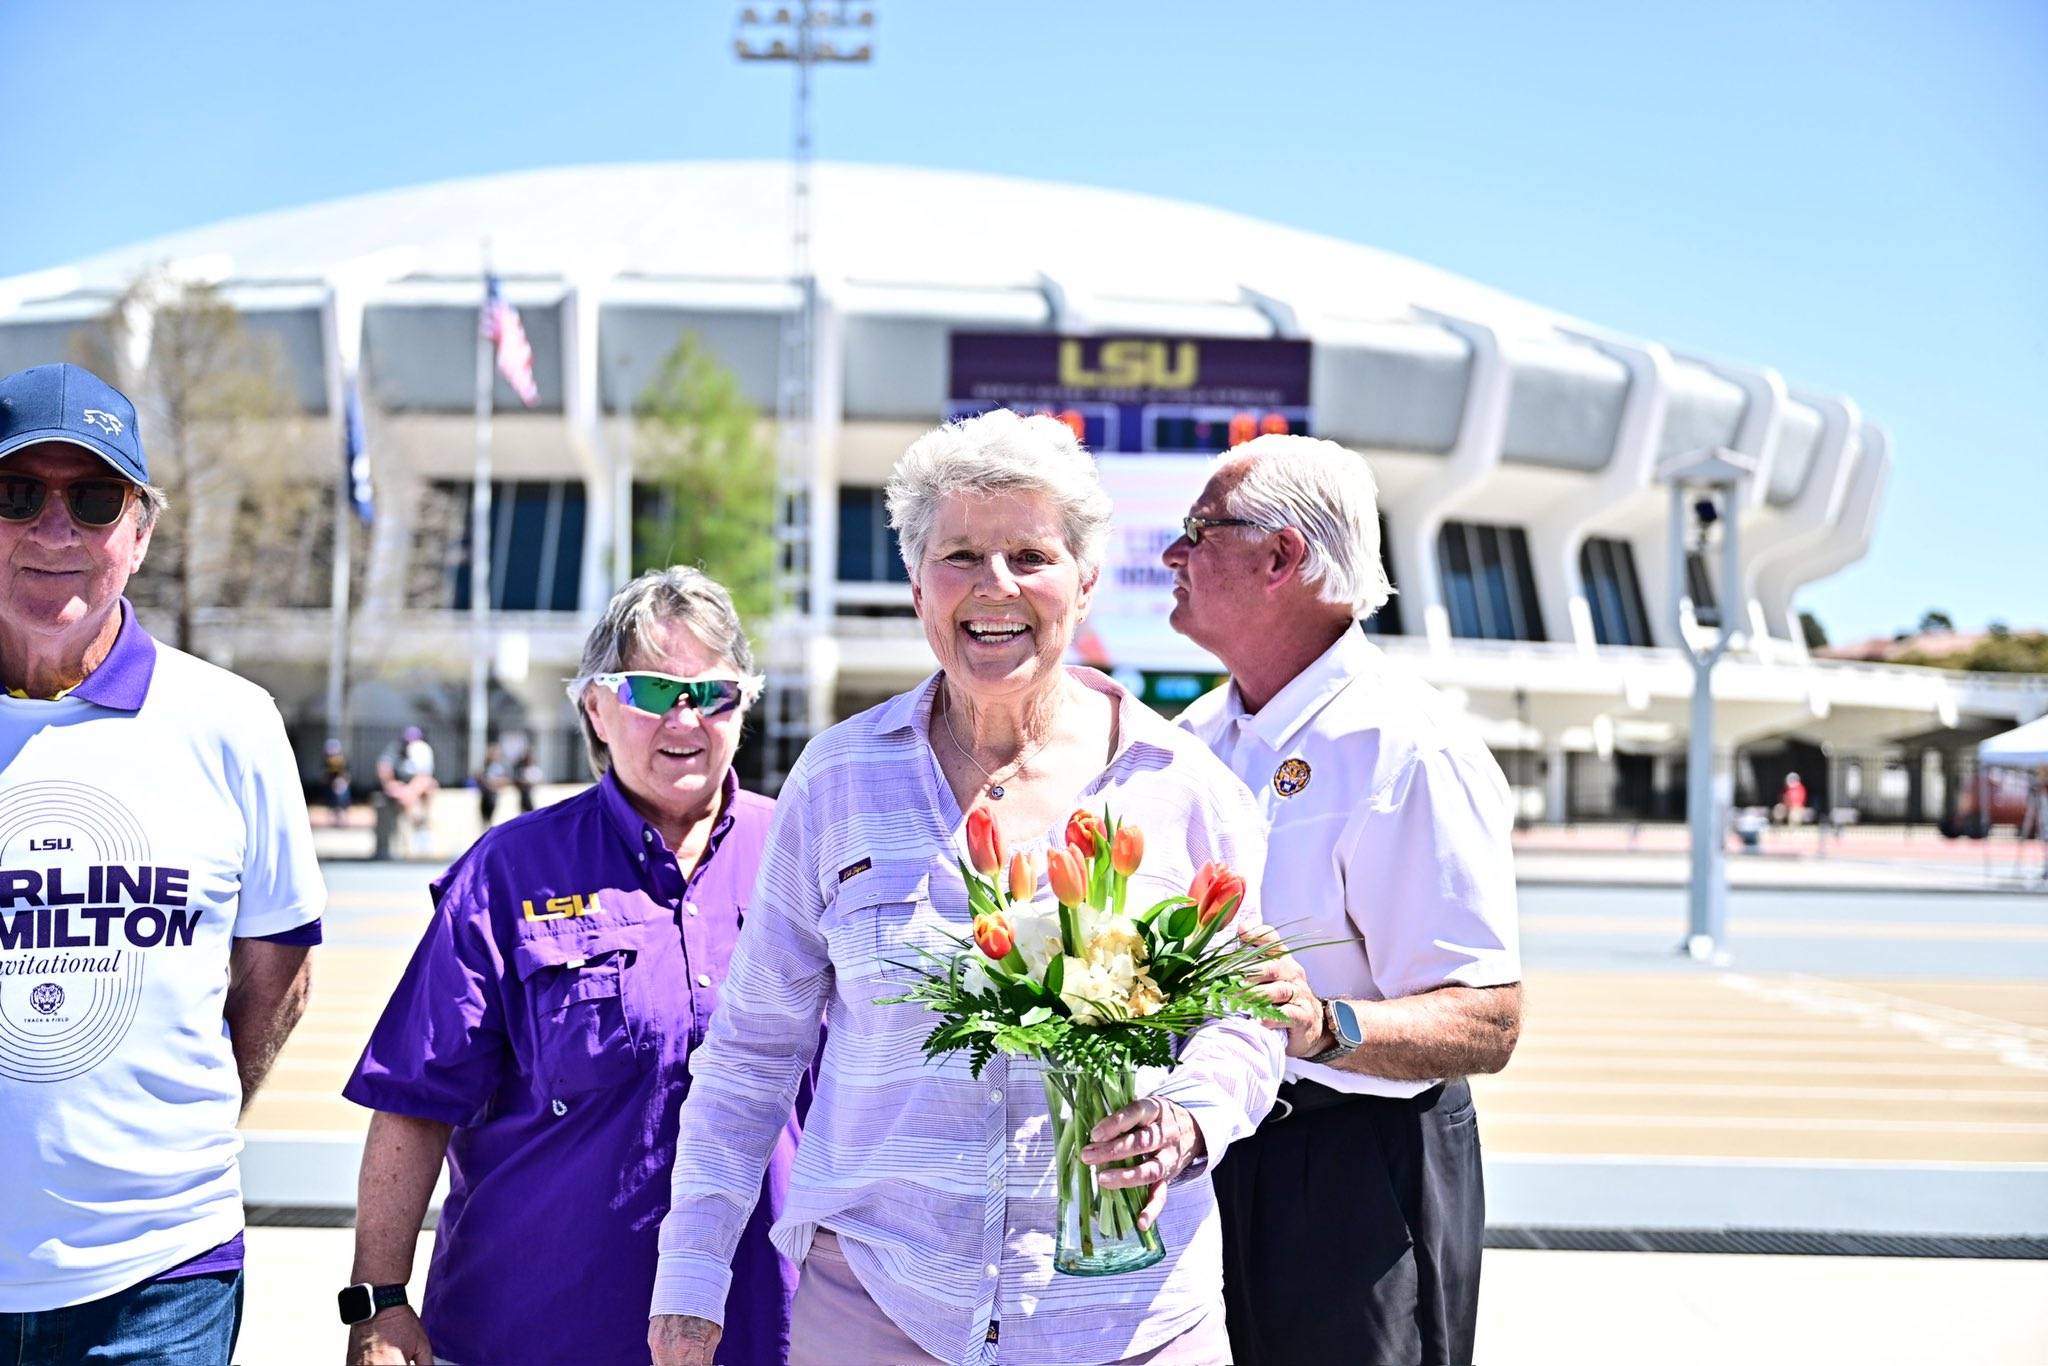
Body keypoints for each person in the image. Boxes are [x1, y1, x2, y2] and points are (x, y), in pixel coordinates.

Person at [649, 409, 1283, 1366]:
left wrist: (1190, 1118)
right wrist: (691, 1276)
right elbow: (752, 1051)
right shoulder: (838, 779)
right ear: (918, 588)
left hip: (1129, 1320)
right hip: (879, 1305)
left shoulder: (1182, 786)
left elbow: (1250, 1014)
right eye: (960, 557)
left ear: (1086, 581)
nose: (996, 585)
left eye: (1030, 555)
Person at [343, 568, 801, 1366]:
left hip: (767, 1326)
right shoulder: (508, 871)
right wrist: (379, 1303)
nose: (685, 718)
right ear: (595, 706)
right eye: (652, 692)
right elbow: (415, 1099)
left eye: (713, 693)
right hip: (543, 1327)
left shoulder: (807, 855)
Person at [1161, 434, 1522, 1366]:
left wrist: (1325, 1025)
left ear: (1281, 557)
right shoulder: (1193, 739)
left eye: (1199, 530)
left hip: (1355, 1172)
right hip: (1210, 1148)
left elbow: (1488, 1022)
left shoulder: (1408, 747)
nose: (1171, 554)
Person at [0, 363, 325, 1364]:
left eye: (96, 499)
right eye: (17, 493)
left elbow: (279, 968)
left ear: (140, 533)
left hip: (160, 1279)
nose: (56, 529)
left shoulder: (231, 723)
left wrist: (170, 1140)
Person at [375, 725, 438, 856]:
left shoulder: (423, 751)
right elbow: (383, 768)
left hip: (413, 790)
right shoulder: (395, 750)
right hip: (399, 788)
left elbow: (424, 776)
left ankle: (420, 827)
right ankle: (418, 829)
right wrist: (391, 784)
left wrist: (410, 790)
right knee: (404, 797)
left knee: (429, 786)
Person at [473, 740, 511, 828]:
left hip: (493, 794)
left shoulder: (500, 766)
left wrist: (494, 783)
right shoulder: (485, 766)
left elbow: (506, 780)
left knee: (490, 817)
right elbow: (477, 777)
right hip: (485, 794)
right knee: (484, 817)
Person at [323, 738, 354, 824]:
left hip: (342, 785)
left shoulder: (343, 761)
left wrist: (343, 782)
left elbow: (347, 775)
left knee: (343, 797)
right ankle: (334, 816)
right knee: (331, 799)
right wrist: (332, 782)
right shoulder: (327, 762)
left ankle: (343, 816)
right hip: (331, 786)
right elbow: (325, 776)